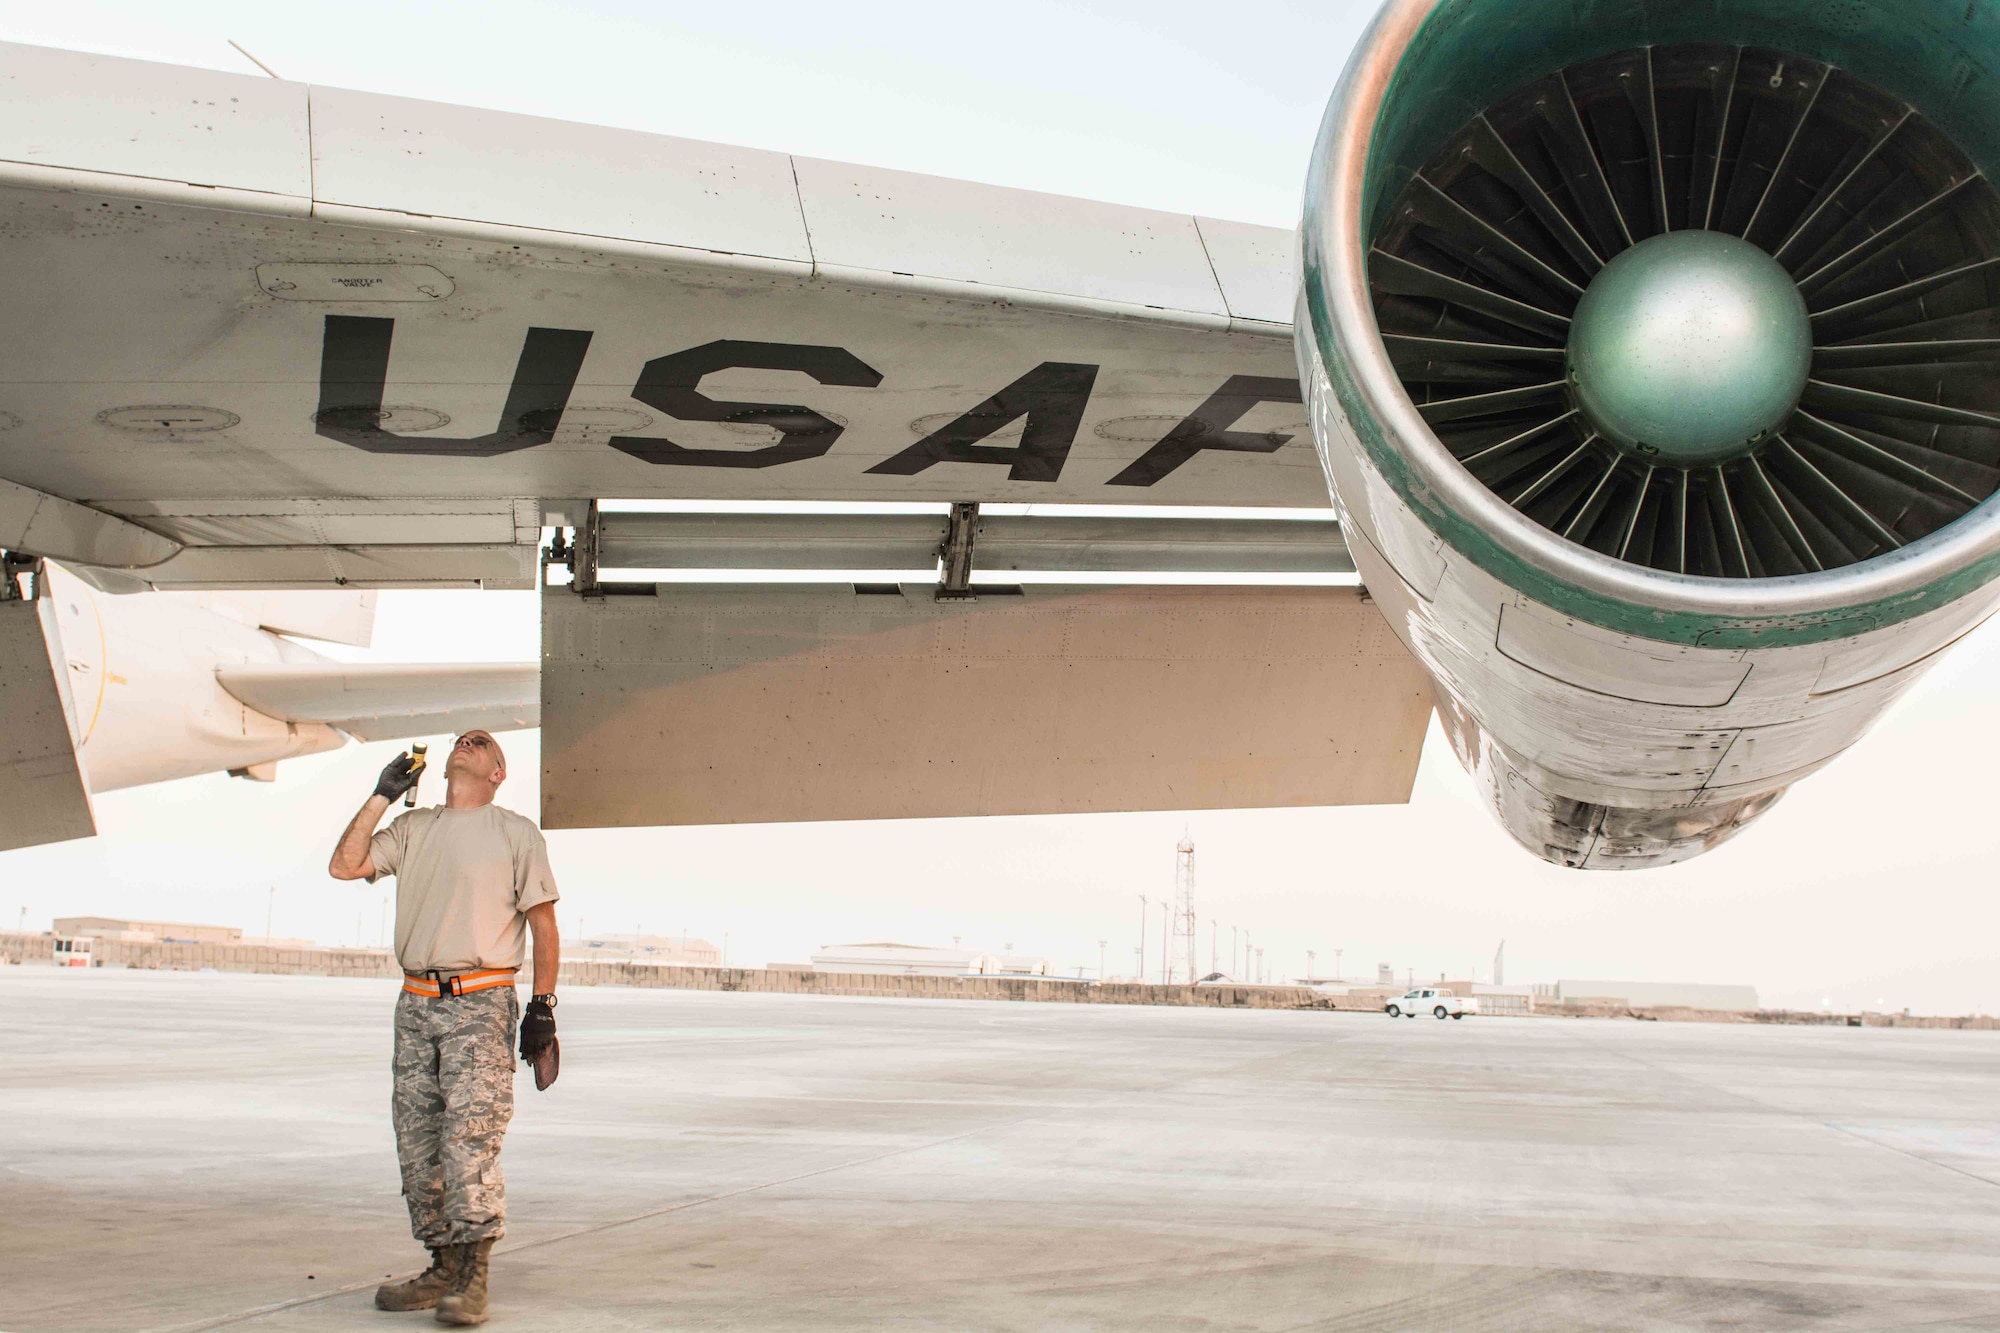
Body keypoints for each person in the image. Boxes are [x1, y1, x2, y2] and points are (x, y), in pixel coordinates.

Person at [328, 729, 561, 1327]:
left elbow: (544, 925)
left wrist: (542, 1006)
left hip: (480, 1003)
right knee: (418, 1141)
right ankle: (441, 1262)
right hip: (416, 1002)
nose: (467, 743)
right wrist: (382, 794)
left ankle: (473, 1275)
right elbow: (345, 865)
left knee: (470, 1138)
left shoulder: (515, 833)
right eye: (462, 739)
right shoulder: (414, 828)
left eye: (481, 743)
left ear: (497, 774)